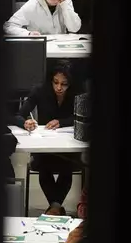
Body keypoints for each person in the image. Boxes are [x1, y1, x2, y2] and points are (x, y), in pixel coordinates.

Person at [13, 61, 82, 215]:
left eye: (64, 84)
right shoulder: (39, 91)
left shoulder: (77, 92)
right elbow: (18, 115)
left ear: (70, 83)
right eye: (55, 83)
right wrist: (25, 123)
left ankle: (54, 208)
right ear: (50, 80)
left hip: (68, 146)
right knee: (44, 164)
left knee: (67, 165)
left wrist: (62, 122)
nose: (59, 88)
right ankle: (56, 208)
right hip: (44, 145)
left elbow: (84, 116)